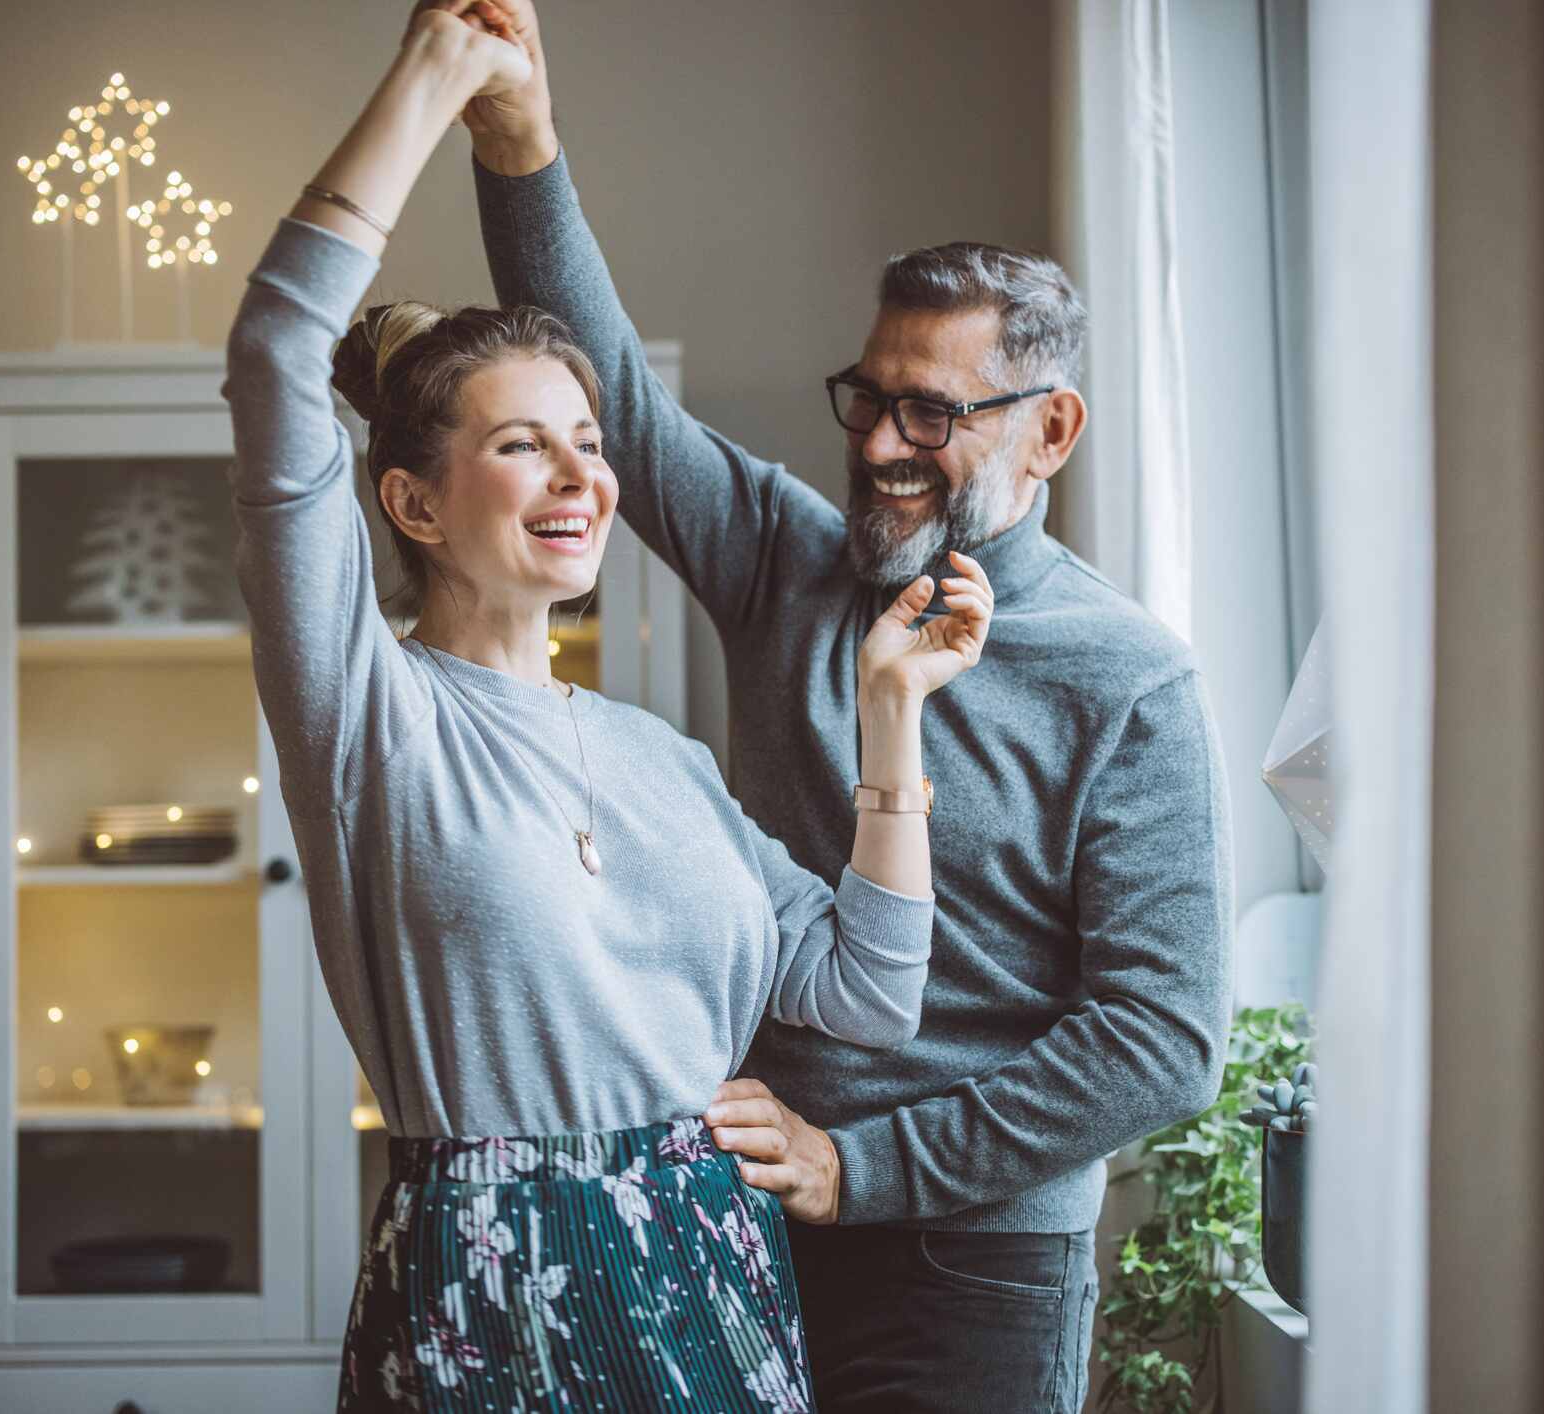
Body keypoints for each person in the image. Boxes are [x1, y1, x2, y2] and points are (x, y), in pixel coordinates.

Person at [450, 2, 1236, 1409]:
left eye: (930, 413)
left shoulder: (1132, 682)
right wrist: (519, 142)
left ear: (1048, 428)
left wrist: (860, 1166)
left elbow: (1163, 1040)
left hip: (979, 1270)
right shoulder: (787, 561)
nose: (879, 444)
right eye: (866, 398)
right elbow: (611, 393)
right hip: (737, 1205)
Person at [222, 7, 997, 1409]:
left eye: (589, 442)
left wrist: (894, 712)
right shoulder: (370, 715)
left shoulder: (667, 761)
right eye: (521, 445)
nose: (580, 477)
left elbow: (868, 992)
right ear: (412, 501)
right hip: (484, 1285)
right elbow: (280, 349)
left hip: (714, 1271)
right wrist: (438, 76)